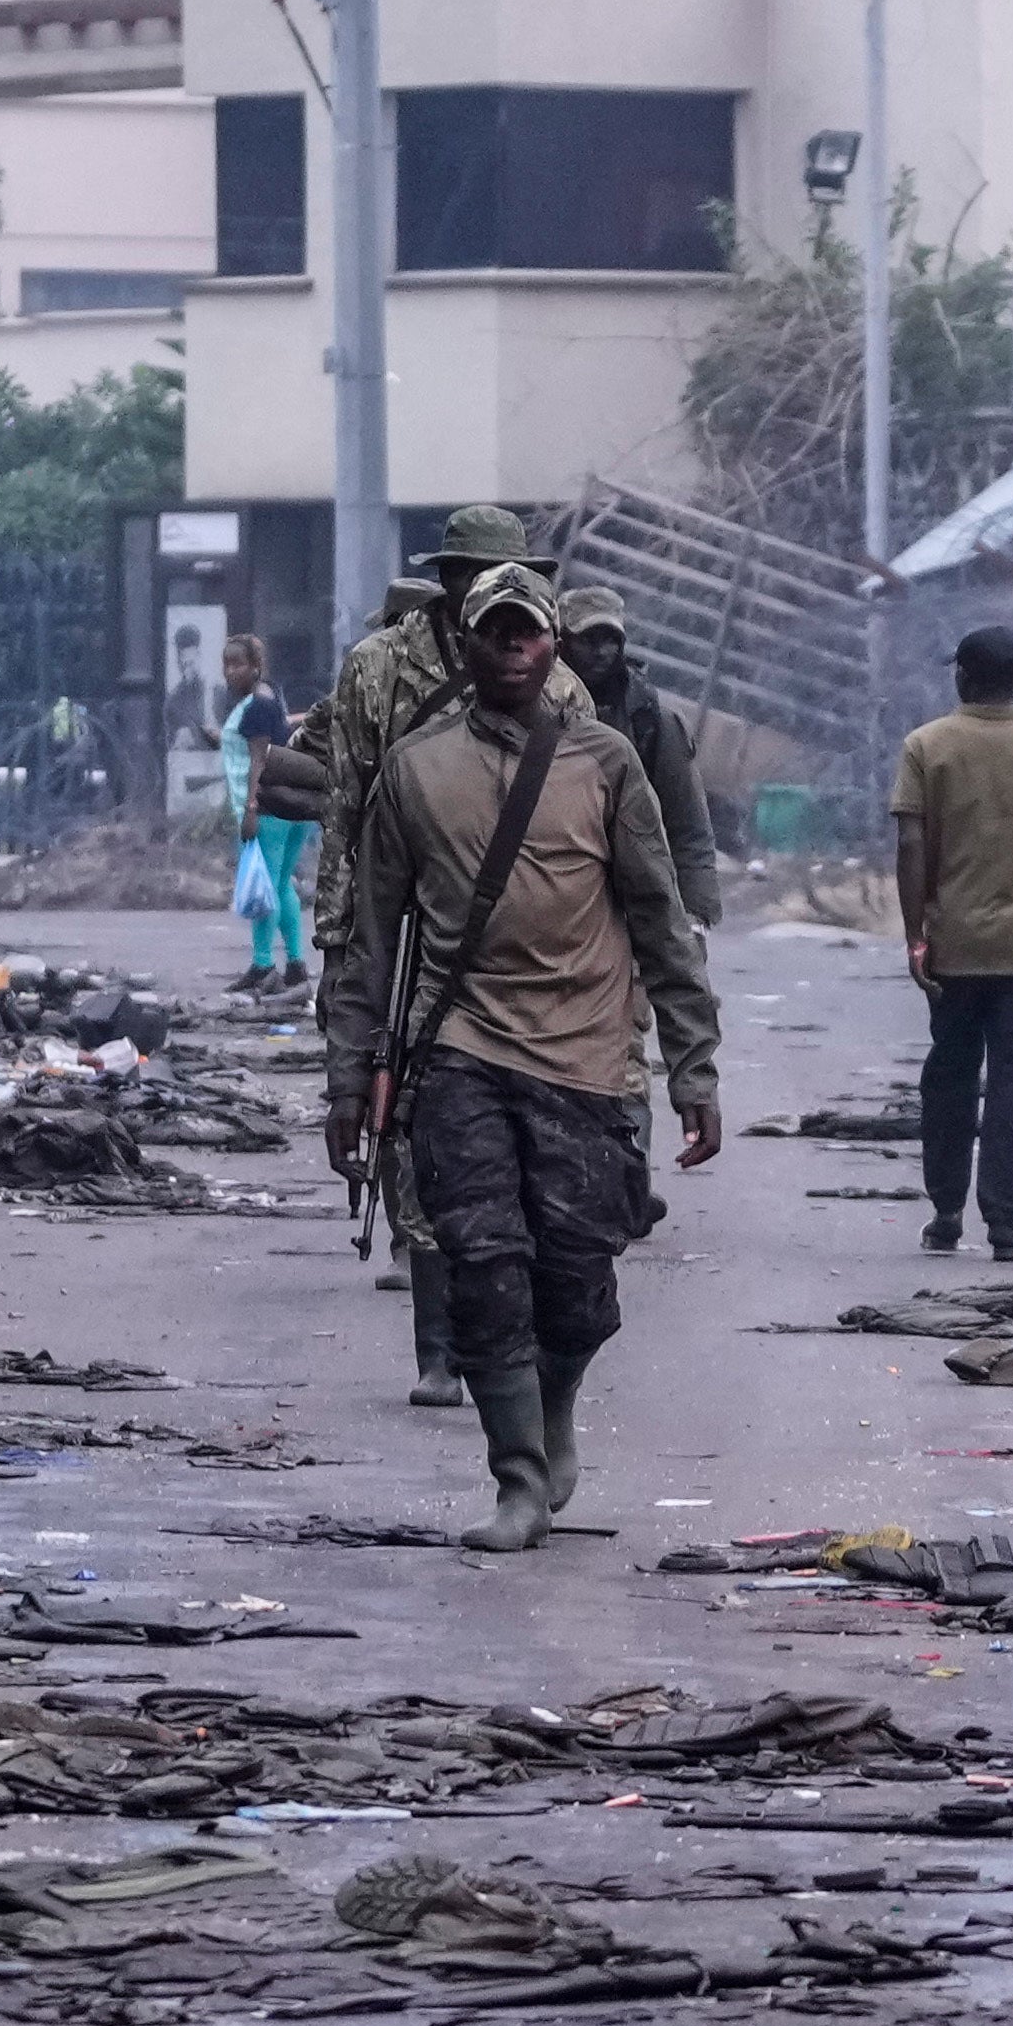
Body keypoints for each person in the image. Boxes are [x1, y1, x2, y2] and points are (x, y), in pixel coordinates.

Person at [325, 562, 722, 1552]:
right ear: (463, 642)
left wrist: (693, 1067)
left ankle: (554, 1412)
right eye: (491, 631)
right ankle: (514, 1477)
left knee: (576, 1279)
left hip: (588, 1057)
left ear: (550, 645)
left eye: (525, 632)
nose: (509, 645)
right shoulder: (414, 771)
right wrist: (347, 1078)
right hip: (462, 1048)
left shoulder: (604, 763)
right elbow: (371, 938)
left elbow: (659, 918)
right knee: (482, 1259)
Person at [272, 504, 598, 1404]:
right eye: (469, 580)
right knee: (404, 1113)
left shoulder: (559, 683)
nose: (485, 597)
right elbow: (346, 809)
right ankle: (436, 1346)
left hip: (515, 932)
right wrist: (343, 940)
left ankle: (503, 1326)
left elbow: (586, 811)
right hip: (403, 913)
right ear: (449, 579)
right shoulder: (378, 667)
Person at [886, 621, 1013, 1260]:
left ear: (962, 676)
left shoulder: (927, 746)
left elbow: (912, 845)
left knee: (949, 1074)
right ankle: (1004, 1222)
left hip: (955, 947)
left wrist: (915, 934)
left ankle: (945, 1212)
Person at [559, 586, 722, 933]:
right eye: (588, 640)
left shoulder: (654, 723)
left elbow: (688, 824)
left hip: (635, 903)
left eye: (611, 640)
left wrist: (696, 914)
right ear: (562, 642)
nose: (602, 652)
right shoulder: (539, 714)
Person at [217, 635, 307, 991]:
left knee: (262, 888)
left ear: (255, 667)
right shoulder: (269, 698)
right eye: (226, 664)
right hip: (291, 806)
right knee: (281, 884)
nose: (229, 672)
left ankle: (262, 965)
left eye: (237, 664)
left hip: (266, 809)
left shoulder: (256, 705)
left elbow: (260, 759)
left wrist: (251, 808)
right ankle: (297, 964)